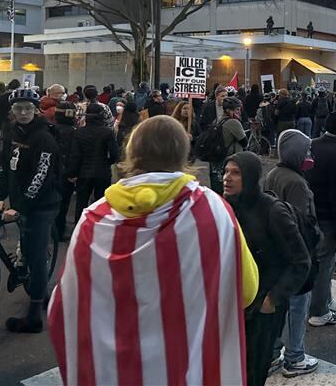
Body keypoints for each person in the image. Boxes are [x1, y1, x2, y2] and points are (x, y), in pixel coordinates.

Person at [48, 116, 258, 385]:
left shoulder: (93, 220)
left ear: (132, 154)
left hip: (112, 374)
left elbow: (63, 306)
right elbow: (246, 292)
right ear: (183, 154)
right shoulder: (213, 210)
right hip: (186, 368)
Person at [223, 151, 311, 386]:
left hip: (263, 305)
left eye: (235, 173)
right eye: (226, 171)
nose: (226, 178)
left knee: (254, 370)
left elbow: (301, 261)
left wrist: (272, 299)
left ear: (250, 177)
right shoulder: (226, 206)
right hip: (235, 302)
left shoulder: (274, 211)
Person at [0, 88, 62, 333]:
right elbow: (6, 168)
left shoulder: (44, 137)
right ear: (12, 111)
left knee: (35, 256)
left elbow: (41, 176)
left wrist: (19, 206)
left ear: (36, 110)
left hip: (42, 204)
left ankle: (34, 316)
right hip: (21, 201)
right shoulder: (12, 132)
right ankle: (42, 293)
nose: (23, 112)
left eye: (27, 108)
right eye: (18, 108)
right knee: (27, 245)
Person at [265, 129, 320, 378]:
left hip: (275, 255)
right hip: (296, 256)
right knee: (298, 307)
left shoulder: (273, 174)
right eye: (306, 150)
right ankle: (294, 357)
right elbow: (303, 222)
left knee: (278, 309)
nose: (309, 154)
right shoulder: (296, 182)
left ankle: (272, 355)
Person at [306, 111, 336, 327]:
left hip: (308, 212)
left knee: (310, 260)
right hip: (330, 216)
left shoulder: (311, 144)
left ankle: (315, 302)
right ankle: (319, 311)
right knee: (325, 264)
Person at [67, 103, 119, 226]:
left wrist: (72, 172)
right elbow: (114, 153)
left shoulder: (79, 132)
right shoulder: (107, 132)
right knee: (100, 202)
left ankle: (80, 226)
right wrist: (108, 162)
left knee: (81, 202)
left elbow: (75, 155)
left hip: (83, 172)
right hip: (102, 171)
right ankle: (98, 227)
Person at [205, 96, 248, 194]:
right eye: (237, 109)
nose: (239, 112)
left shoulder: (216, 121)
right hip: (230, 160)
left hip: (216, 161)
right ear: (228, 110)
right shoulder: (234, 122)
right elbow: (245, 142)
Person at [52, 101, 78, 240]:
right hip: (66, 173)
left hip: (50, 171)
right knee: (63, 203)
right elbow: (74, 154)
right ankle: (59, 231)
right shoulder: (74, 132)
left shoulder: (50, 129)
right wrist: (73, 173)